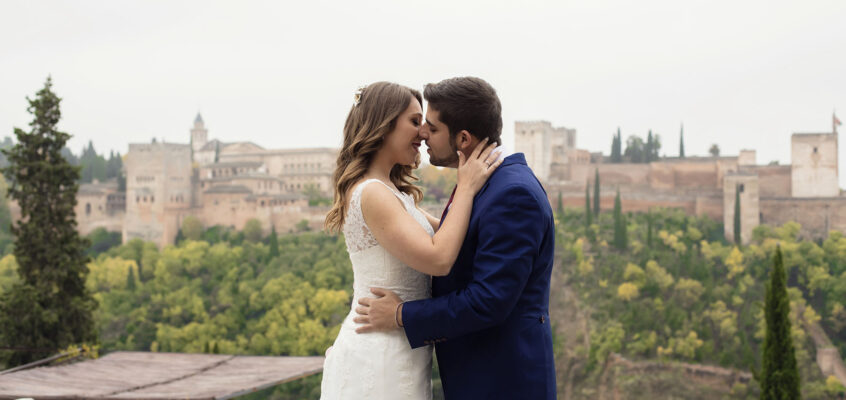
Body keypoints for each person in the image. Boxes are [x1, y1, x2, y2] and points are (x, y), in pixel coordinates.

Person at [355, 77, 557, 399]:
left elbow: (488, 301)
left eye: (432, 128)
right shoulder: (483, 182)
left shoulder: (512, 194)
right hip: (477, 376)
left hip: (502, 382)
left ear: (463, 138)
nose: (423, 134)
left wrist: (400, 315)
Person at [320, 81, 502, 400]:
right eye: (415, 121)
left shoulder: (393, 193)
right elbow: (439, 258)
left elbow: (451, 231)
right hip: (379, 353)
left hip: (401, 350)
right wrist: (466, 186)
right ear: (384, 124)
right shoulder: (372, 193)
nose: (422, 133)